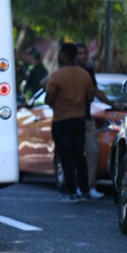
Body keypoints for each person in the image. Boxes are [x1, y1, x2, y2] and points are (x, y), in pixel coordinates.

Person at [45, 42, 93, 202]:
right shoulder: (84, 75)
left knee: (65, 156)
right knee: (80, 155)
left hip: (61, 120)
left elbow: (49, 98)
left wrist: (56, 102)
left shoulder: (56, 76)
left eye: (59, 53)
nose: (58, 56)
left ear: (64, 55)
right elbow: (90, 97)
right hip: (79, 119)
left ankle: (71, 191)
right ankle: (85, 190)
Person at [75, 42, 114, 200]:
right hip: (71, 118)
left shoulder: (89, 70)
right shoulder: (68, 70)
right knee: (75, 154)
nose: (83, 56)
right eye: (79, 53)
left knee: (93, 151)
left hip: (87, 117)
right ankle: (75, 187)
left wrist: (112, 104)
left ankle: (89, 186)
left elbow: (95, 91)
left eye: (85, 53)